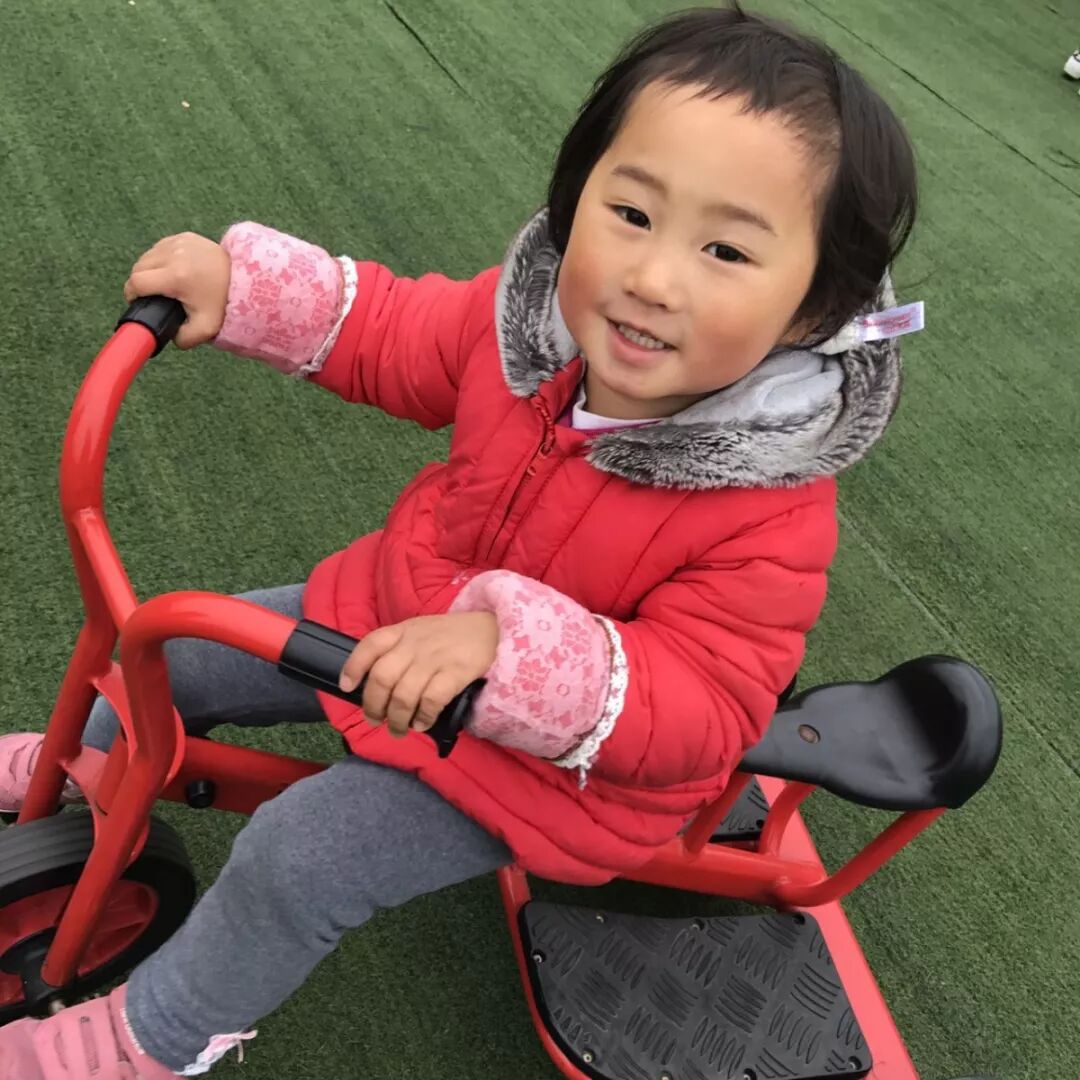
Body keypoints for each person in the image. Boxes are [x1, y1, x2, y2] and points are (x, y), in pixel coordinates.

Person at [0, 4, 921, 1076]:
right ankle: (78, 767)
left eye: (725, 250)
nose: (652, 277)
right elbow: (393, 331)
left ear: (813, 309)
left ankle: (148, 1043)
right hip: (396, 614)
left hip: (549, 766)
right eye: (630, 212)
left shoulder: (771, 505)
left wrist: (511, 653)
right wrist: (244, 292)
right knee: (177, 647)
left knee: (302, 855)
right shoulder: (534, 335)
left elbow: (706, 712)